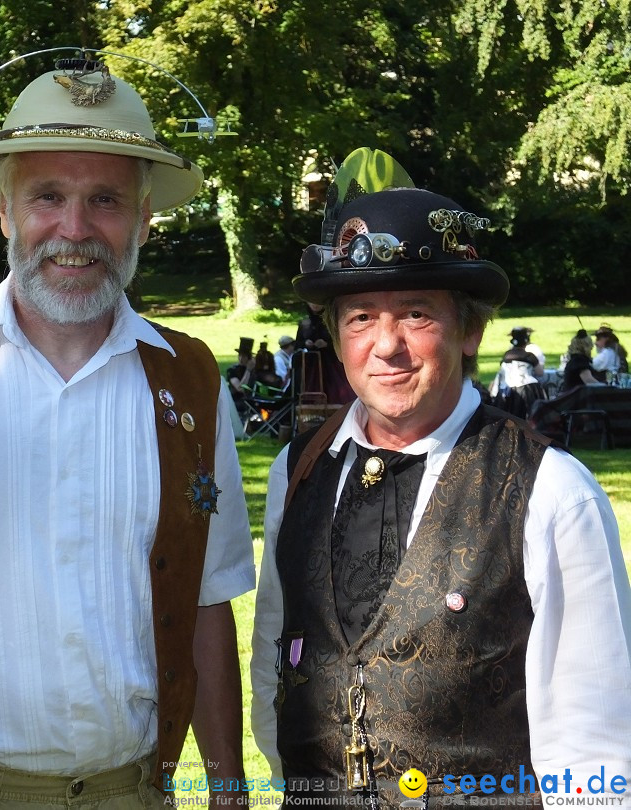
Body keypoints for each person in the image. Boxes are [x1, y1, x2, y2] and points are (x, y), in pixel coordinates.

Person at [0, 54, 254, 808]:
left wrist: (228, 789)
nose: (75, 229)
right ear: (5, 211)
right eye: (47, 196)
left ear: (145, 219)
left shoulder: (188, 378)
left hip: (132, 791)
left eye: (106, 201)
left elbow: (209, 600)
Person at [251, 185, 631, 805]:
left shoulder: (552, 491)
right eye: (361, 317)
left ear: (470, 330)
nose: (386, 344)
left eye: (416, 314)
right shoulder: (300, 471)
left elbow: (597, 742)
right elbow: (274, 660)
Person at [295, 301, 355, 405]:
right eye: (311, 301)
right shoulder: (305, 323)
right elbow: (297, 345)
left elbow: (344, 342)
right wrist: (306, 343)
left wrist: (327, 344)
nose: (314, 304)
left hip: (332, 365)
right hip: (311, 367)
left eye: (317, 301)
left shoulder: (333, 321)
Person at [488, 344, 544, 418]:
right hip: (527, 389)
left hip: (506, 389)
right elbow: (540, 372)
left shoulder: (506, 355)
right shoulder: (529, 356)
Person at [227, 336, 258, 409]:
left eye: (244, 356)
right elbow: (241, 388)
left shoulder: (255, 369)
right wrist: (248, 370)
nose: (241, 358)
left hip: (253, 400)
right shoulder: (232, 370)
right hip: (237, 401)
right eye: (240, 355)